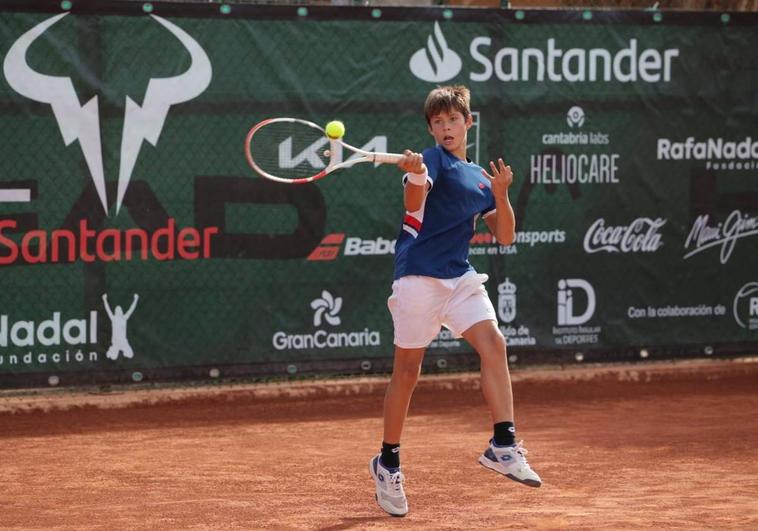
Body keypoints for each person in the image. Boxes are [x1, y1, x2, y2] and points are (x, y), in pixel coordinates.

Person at [368, 85, 541, 517]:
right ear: (431, 128)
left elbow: (504, 236)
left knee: (495, 344)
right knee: (407, 372)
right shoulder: (432, 163)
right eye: (438, 122)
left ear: (469, 122)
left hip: (459, 277)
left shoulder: (481, 177)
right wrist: (413, 174)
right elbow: (414, 201)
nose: (446, 127)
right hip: (418, 279)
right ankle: (387, 462)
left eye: (453, 120)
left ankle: (503, 443)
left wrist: (500, 194)